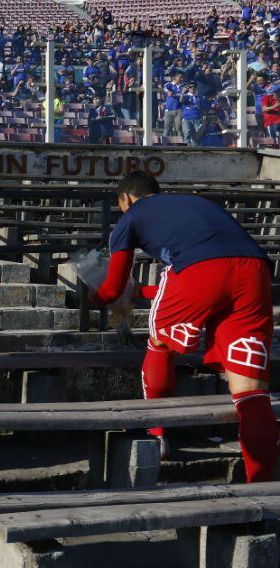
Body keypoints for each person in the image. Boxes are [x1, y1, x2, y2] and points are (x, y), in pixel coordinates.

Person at [91, 172, 276, 481]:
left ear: (125, 199)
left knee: (160, 343)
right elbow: (220, 269)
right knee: (251, 392)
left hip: (196, 267)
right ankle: (262, 487)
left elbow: (112, 289)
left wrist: (97, 296)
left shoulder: (131, 216)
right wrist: (140, 292)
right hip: (255, 272)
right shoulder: (195, 202)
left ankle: (158, 434)